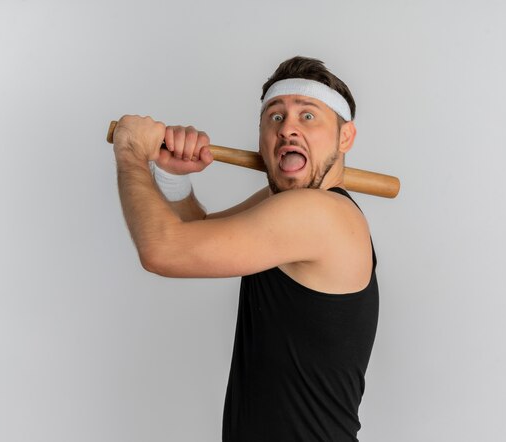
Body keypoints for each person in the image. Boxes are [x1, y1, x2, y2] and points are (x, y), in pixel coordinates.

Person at [112, 56, 379, 441]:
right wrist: (171, 178)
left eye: (307, 117)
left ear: (345, 137)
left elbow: (163, 250)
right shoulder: (289, 208)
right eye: (274, 117)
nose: (287, 128)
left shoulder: (321, 215)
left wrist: (131, 154)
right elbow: (195, 234)